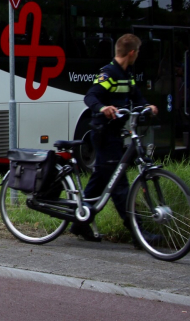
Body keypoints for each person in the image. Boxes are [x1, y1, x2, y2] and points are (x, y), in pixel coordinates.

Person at [72, 34, 158, 243]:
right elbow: (90, 96)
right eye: (137, 52)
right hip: (104, 134)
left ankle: (79, 223)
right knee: (119, 185)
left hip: (115, 135)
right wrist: (102, 108)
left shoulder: (126, 75)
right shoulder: (109, 74)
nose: (137, 55)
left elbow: (136, 96)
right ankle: (139, 234)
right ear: (132, 53)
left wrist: (147, 106)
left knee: (100, 179)